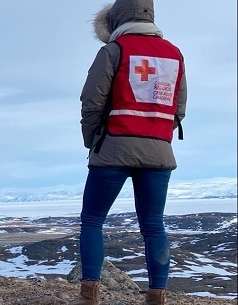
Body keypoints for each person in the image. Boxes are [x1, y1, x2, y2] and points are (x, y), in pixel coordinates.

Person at [73, 0, 187, 304]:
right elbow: (179, 109)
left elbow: (91, 102)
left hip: (114, 149)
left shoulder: (114, 51)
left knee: (93, 220)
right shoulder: (175, 54)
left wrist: (93, 141)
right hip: (159, 154)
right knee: (153, 224)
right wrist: (158, 138)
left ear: (116, 18)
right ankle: (156, 296)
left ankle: (89, 296)